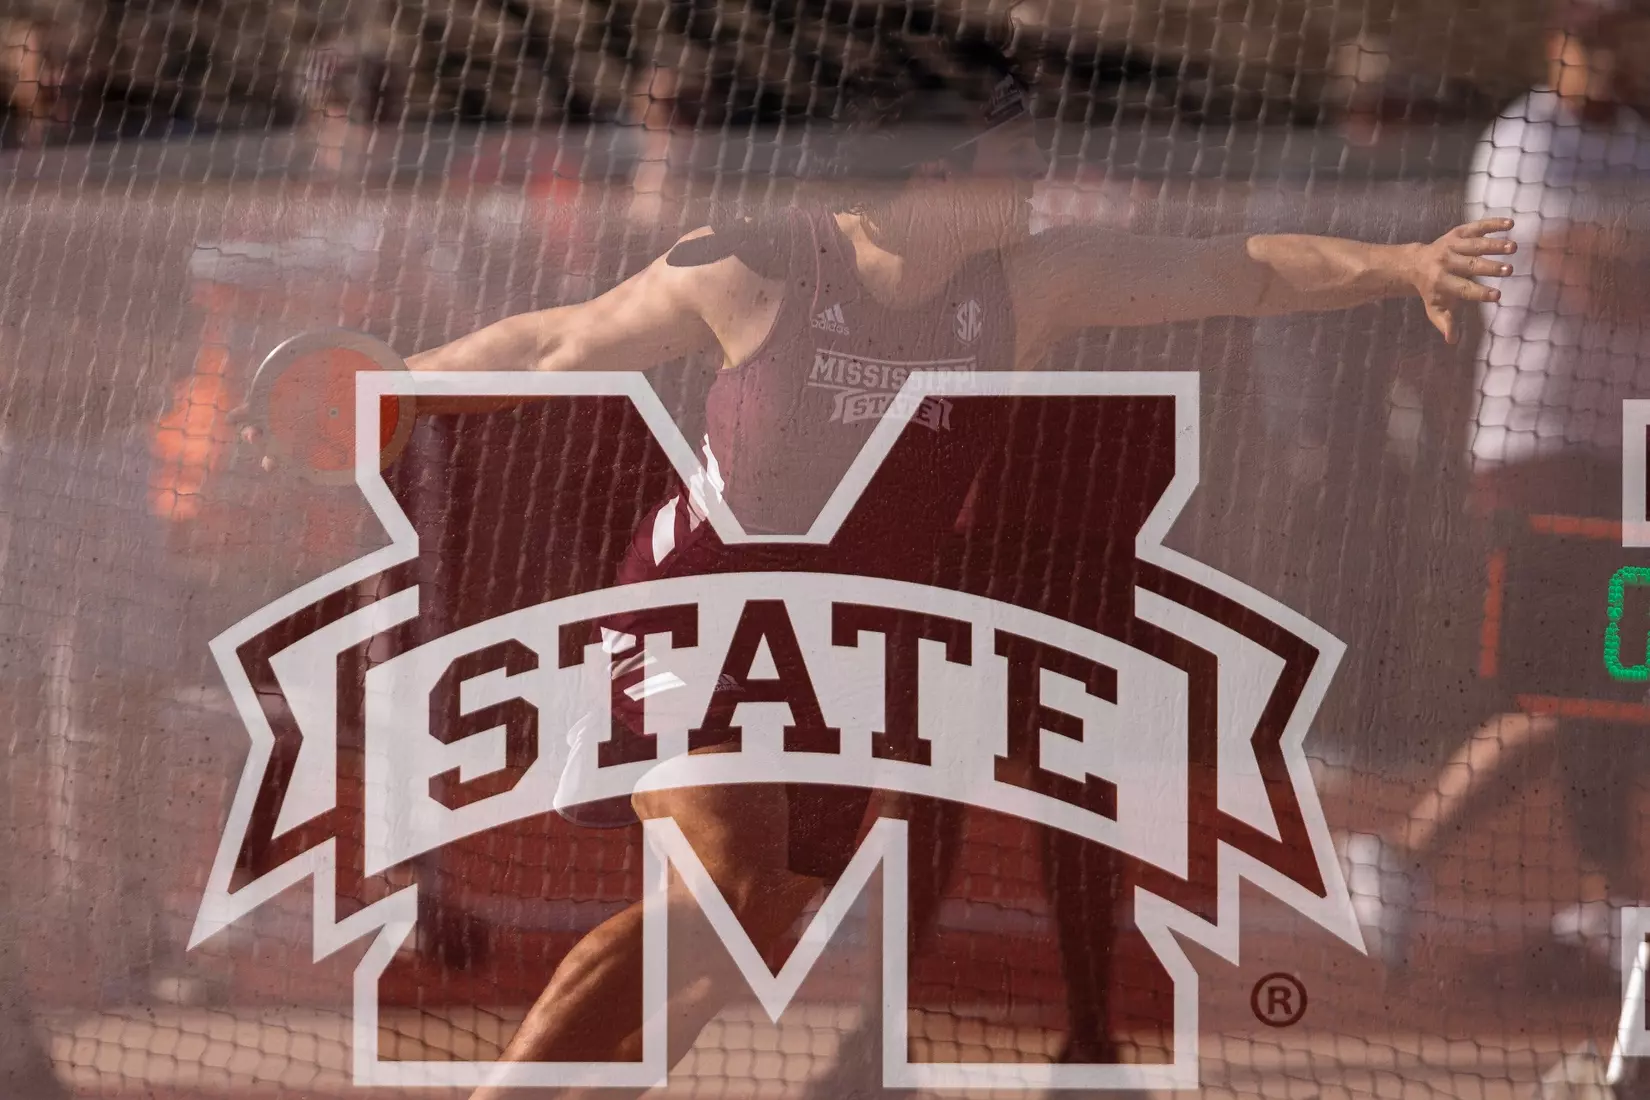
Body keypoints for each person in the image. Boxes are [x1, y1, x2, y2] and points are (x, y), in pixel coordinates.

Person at [241, 33, 1511, 1094]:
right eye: (1016, 152)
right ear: (940, 165)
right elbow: (552, 339)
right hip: (694, 615)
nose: (1037, 173)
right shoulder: (761, 262)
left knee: (743, 934)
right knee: (734, 881)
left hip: (844, 653)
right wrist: (394, 390)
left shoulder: (1029, 284)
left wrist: (1401, 266)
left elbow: (1237, 273)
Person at [1343, 0, 1650, 973]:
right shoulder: (1527, 138)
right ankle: (1397, 855)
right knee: (1574, 687)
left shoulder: (1638, 144)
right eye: (1591, 36)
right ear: (1556, 42)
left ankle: (1618, 903)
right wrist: (1618, 257)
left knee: (1624, 691)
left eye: (1625, 32)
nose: (1608, 53)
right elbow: (1588, 274)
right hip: (1538, 444)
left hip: (1631, 448)